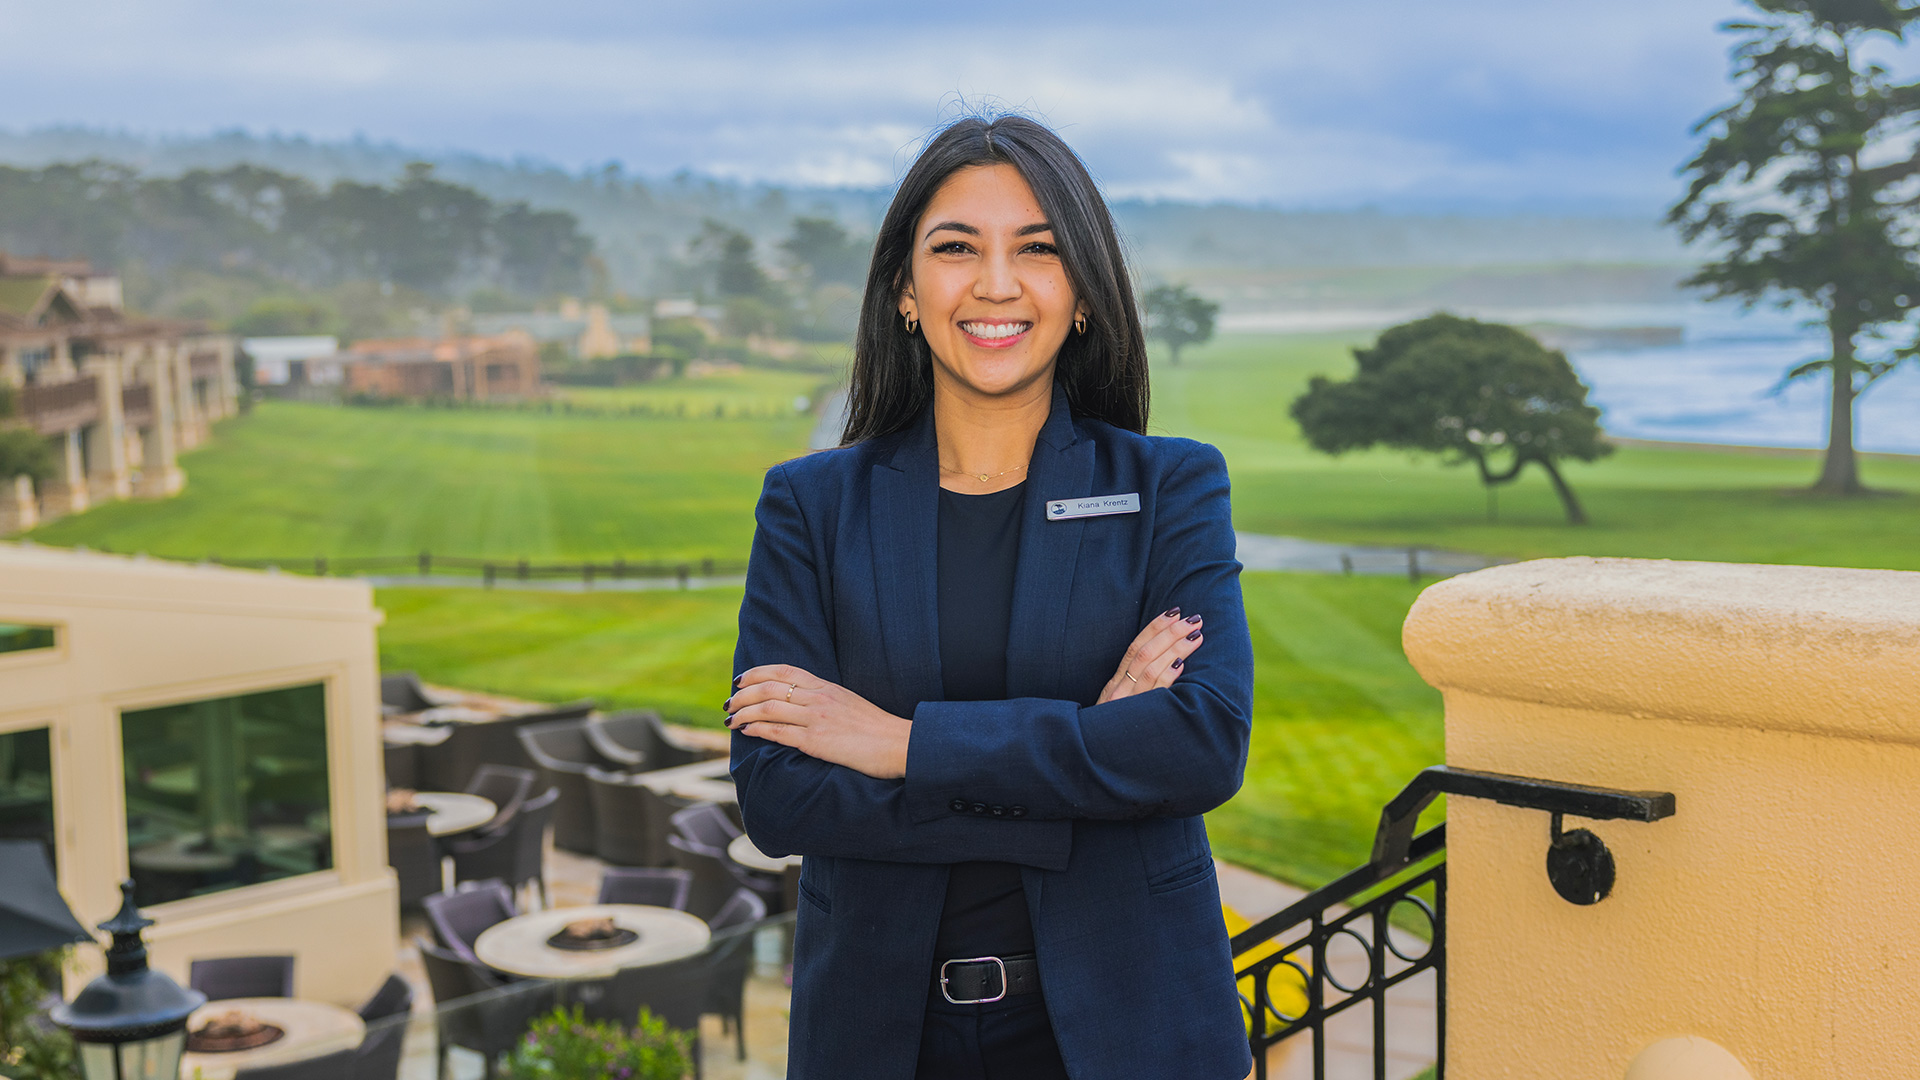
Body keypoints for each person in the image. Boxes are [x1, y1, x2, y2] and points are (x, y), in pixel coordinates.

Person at [724, 114, 1254, 1080]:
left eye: (1039, 250)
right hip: (881, 1039)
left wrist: (897, 744)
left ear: (1083, 296)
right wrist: (1090, 755)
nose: (997, 283)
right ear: (905, 293)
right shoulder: (810, 506)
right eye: (957, 248)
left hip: (1130, 1031)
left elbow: (1200, 746)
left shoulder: (1172, 486)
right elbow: (780, 794)